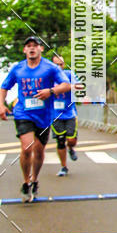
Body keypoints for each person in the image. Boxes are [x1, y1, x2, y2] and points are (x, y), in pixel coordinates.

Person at [0, 35, 71, 201]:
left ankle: (34, 180)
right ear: (24, 50)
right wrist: (1, 105)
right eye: (28, 46)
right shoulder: (18, 68)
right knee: (27, 147)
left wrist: (50, 91)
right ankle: (26, 182)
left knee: (39, 152)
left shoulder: (51, 67)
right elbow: (4, 87)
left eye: (35, 45)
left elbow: (66, 85)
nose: (32, 48)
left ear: (41, 49)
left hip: (44, 115)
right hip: (23, 113)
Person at [50, 55, 78, 176]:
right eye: (56, 65)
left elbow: (80, 86)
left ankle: (71, 148)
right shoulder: (48, 77)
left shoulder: (69, 74)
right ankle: (64, 166)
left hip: (70, 113)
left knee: (71, 140)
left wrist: (69, 87)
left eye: (61, 64)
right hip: (55, 115)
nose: (59, 67)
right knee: (60, 141)